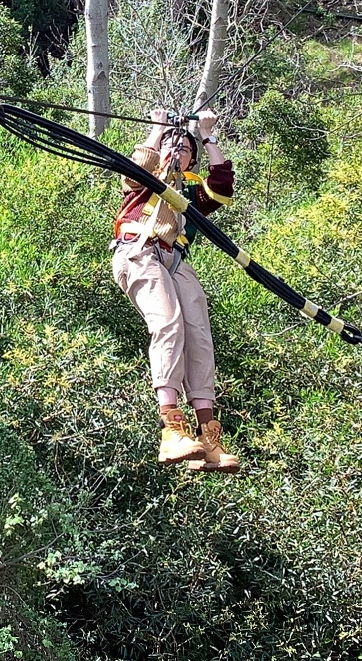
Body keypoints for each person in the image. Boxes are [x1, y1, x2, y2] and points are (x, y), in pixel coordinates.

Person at [111, 108, 240, 472]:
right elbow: (137, 164)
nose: (177, 149)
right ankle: (171, 427)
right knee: (168, 324)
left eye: (185, 147)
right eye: (173, 145)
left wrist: (208, 135)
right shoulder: (144, 180)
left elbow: (222, 187)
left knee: (198, 335)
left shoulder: (192, 191)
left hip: (175, 257)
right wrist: (158, 130)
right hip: (139, 250)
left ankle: (208, 436)